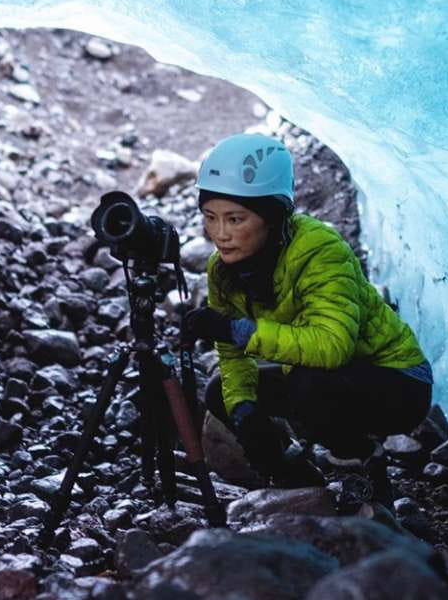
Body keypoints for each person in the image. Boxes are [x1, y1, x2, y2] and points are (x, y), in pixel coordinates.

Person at [182, 133, 433, 509]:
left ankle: (362, 462)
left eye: (236, 219)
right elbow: (234, 357)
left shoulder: (320, 249)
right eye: (210, 218)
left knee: (308, 382)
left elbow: (332, 346)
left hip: (397, 380)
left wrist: (236, 330)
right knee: (223, 391)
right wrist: (244, 412)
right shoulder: (223, 269)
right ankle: (295, 479)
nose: (220, 234)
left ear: (271, 217)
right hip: (320, 376)